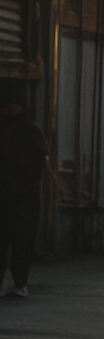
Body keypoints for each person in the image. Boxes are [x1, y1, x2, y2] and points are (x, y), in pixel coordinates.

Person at [0, 81, 48, 299]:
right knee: (13, 240)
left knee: (19, 240)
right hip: (16, 195)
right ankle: (15, 283)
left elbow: (38, 162)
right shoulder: (28, 129)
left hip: (21, 195)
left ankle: (18, 282)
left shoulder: (28, 130)